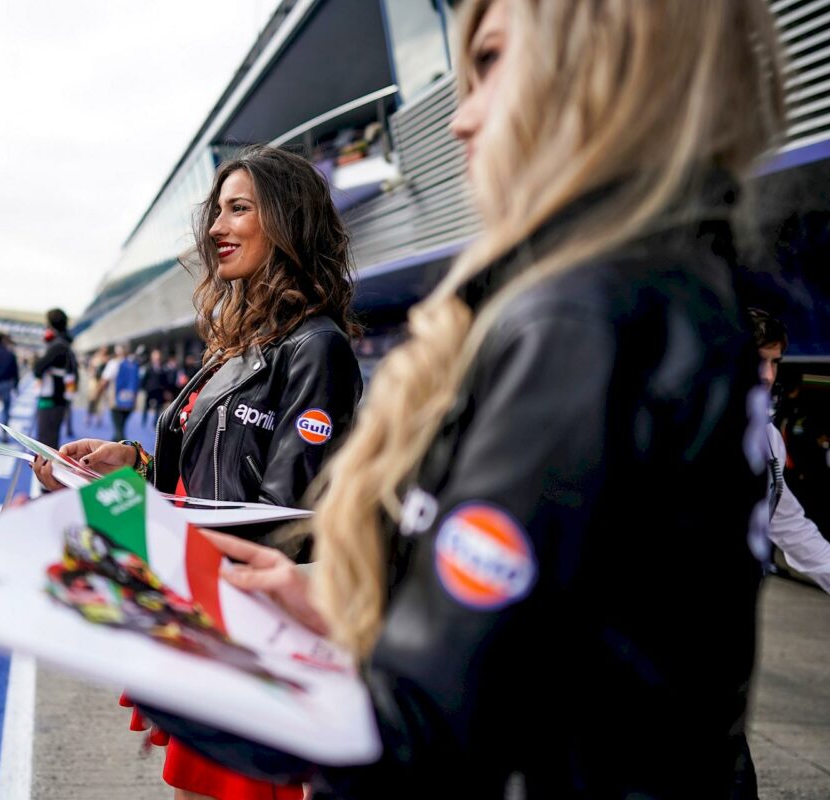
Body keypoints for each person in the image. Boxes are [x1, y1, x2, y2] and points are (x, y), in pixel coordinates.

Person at [138, 1, 788, 797]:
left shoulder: (584, 315)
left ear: (602, 65)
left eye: (489, 62)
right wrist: (334, 602)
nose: (460, 118)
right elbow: (556, 625)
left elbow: (434, 729)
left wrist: (158, 644)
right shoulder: (660, 292)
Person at [35, 144, 364, 800]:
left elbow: (281, 524)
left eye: (238, 209)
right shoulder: (237, 339)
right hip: (196, 599)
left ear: (287, 221)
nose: (216, 227)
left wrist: (131, 516)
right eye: (217, 210)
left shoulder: (316, 347)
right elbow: (206, 477)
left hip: (238, 623)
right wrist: (128, 466)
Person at [749, 308, 830, 592]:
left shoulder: (768, 438)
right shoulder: (682, 429)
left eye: (775, 362)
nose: (768, 375)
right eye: (759, 360)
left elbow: (790, 525)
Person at [32, 308, 77, 450]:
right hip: (59, 397)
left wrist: (37, 360)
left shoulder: (57, 345)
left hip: (51, 398)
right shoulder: (65, 343)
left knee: (45, 442)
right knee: (50, 438)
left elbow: (38, 368)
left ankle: (46, 464)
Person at [98, 343, 138, 442]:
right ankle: (112, 445)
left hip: (116, 401)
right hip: (130, 401)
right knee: (120, 428)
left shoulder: (114, 363)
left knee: (119, 431)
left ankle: (124, 448)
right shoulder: (133, 364)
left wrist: (97, 393)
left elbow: (104, 380)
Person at [140, 349, 168, 427]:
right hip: (150, 390)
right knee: (146, 406)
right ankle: (144, 421)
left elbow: (164, 379)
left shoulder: (162, 367)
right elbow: (144, 379)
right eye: (155, 355)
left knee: (158, 407)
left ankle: (155, 422)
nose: (157, 357)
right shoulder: (148, 367)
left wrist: (164, 389)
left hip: (159, 390)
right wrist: (144, 388)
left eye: (158, 355)